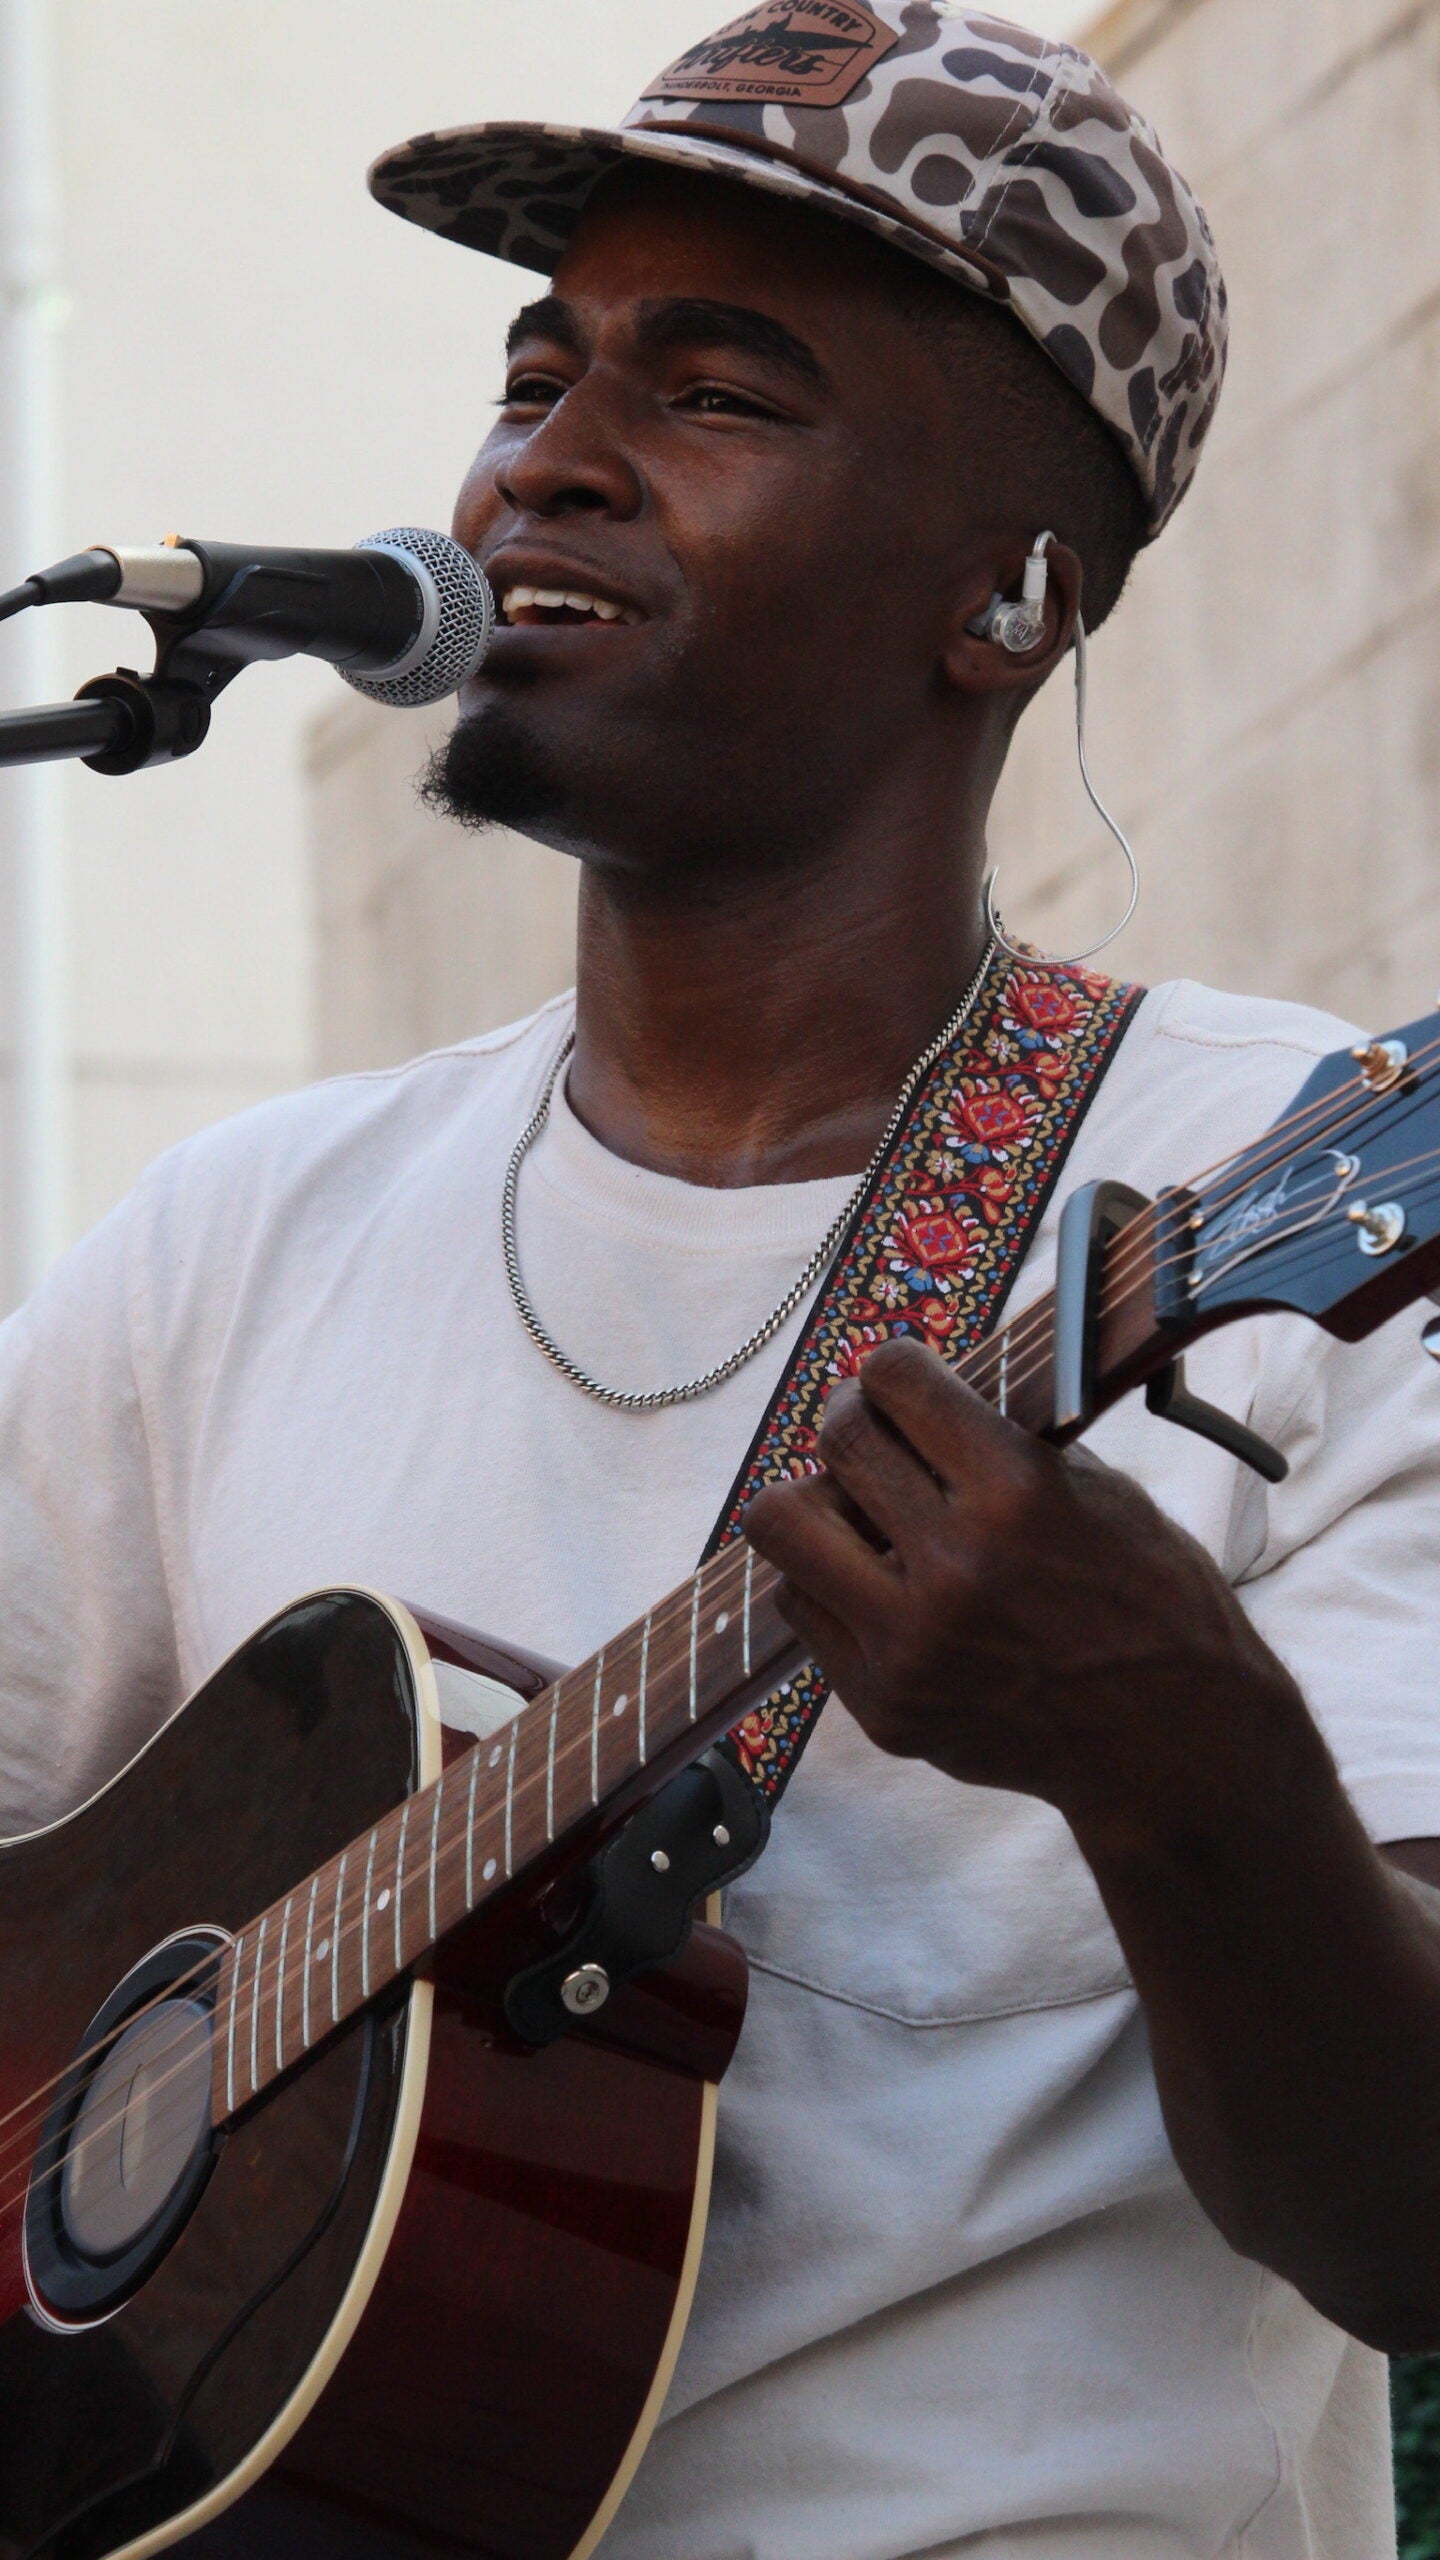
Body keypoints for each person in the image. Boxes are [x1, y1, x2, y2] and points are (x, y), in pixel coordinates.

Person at [4, 6, 1440, 2553]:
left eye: (719, 388)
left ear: (1014, 593)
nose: (546, 453)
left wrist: (1182, 1764)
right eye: (539, 366)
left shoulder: (1269, 1189)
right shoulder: (235, 1242)